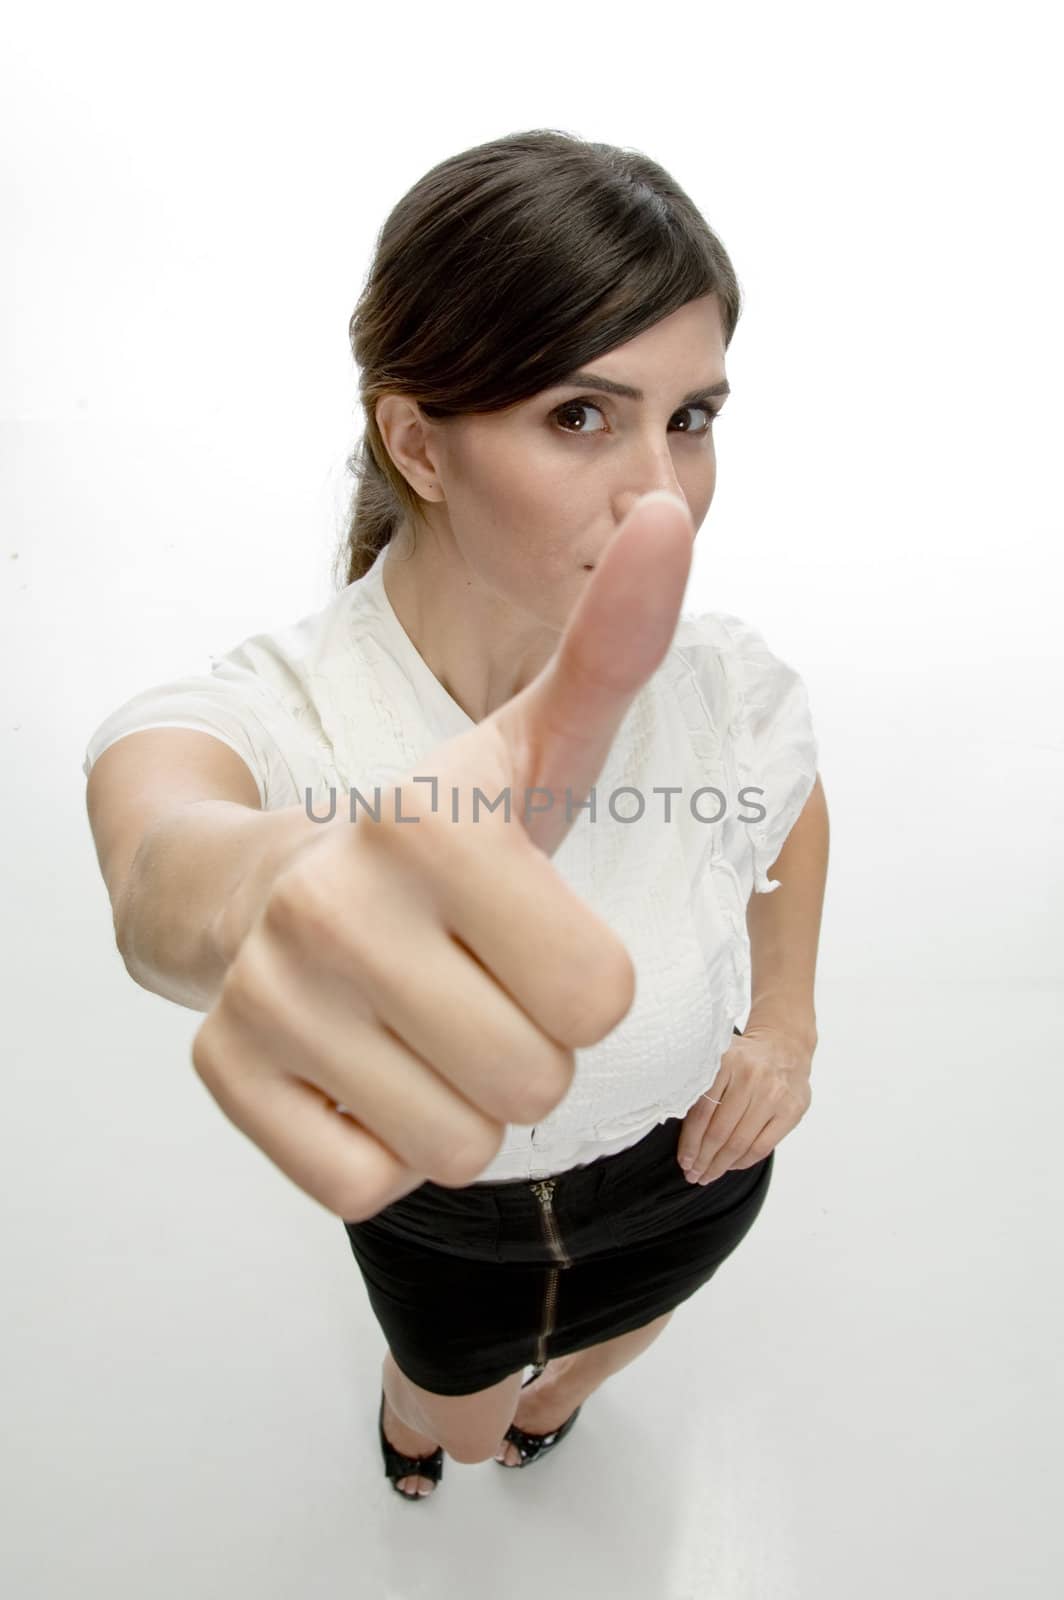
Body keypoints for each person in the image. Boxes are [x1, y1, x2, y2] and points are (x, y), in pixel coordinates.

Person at [82, 129, 829, 1501]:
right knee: (462, 1415)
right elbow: (160, 856)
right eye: (581, 415)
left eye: (693, 419)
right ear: (419, 443)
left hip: (691, 1173)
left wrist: (784, 1021)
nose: (664, 495)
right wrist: (275, 883)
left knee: (615, 1340)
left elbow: (789, 805)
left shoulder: (722, 677)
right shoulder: (277, 710)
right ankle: (430, 1417)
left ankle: (572, 1386)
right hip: (447, 1226)